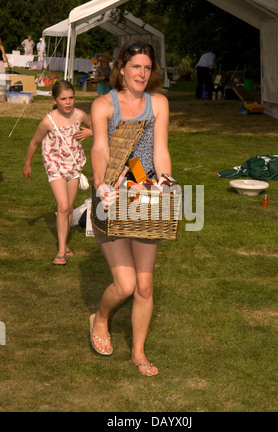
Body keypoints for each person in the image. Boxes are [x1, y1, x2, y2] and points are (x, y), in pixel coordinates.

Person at [90, 40, 171, 376]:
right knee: (124, 285)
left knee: (144, 285)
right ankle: (101, 318)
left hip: (146, 196)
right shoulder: (103, 105)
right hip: (111, 196)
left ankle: (138, 352)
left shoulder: (159, 103)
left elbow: (160, 150)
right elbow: (99, 149)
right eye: (136, 66)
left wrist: (165, 182)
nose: (142, 73)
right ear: (121, 68)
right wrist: (101, 184)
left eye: (147, 67)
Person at [23, 80, 93, 265]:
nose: (68, 102)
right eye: (63, 99)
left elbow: (96, 127)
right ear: (55, 100)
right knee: (62, 206)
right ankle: (61, 249)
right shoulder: (48, 121)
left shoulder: (79, 115)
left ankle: (65, 245)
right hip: (54, 165)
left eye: (71, 98)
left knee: (69, 207)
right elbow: (34, 143)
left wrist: (90, 132)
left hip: (74, 165)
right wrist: (27, 164)